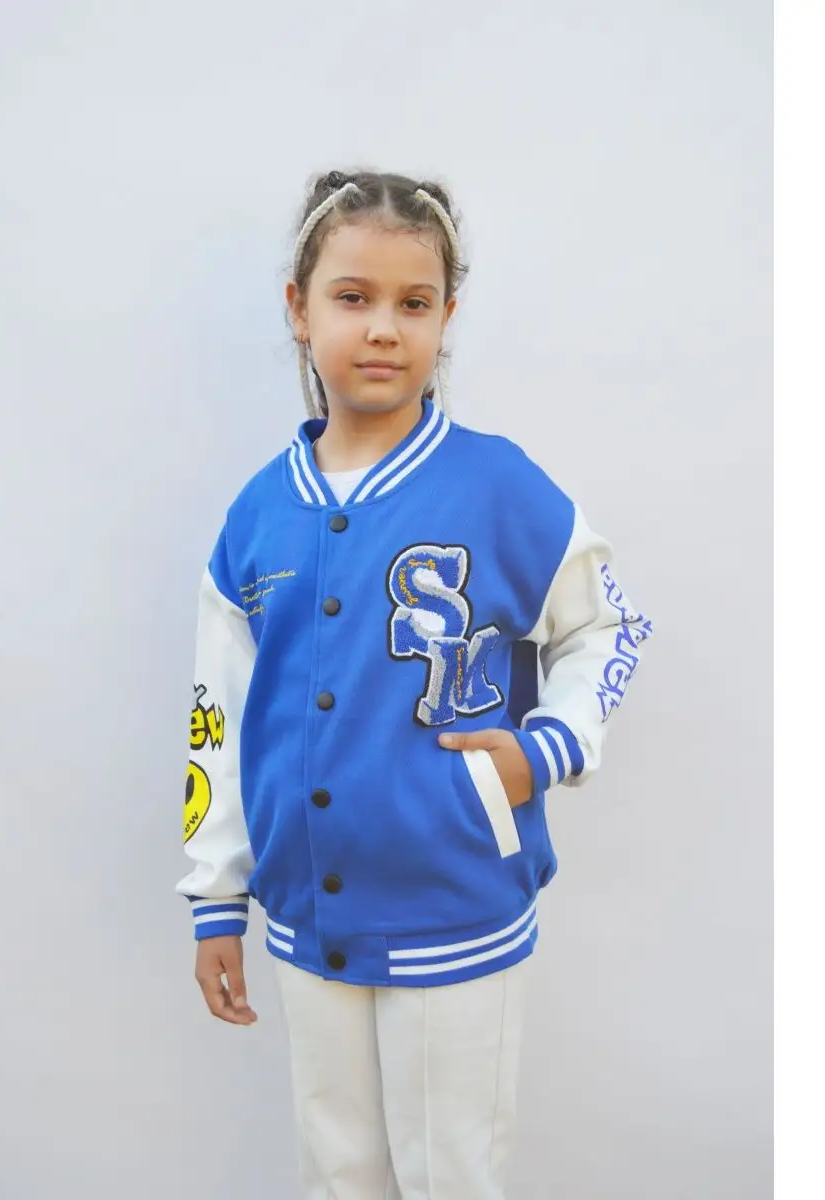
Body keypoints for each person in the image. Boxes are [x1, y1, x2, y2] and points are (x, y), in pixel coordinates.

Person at [176, 169, 653, 1199]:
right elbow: (219, 716)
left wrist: (545, 751)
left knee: (451, 1175)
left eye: (414, 302)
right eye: (353, 297)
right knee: (337, 1172)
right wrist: (217, 898)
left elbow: (609, 626)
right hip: (307, 913)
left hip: (455, 898)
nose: (384, 328)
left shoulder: (497, 485)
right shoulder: (257, 515)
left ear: (447, 317)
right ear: (299, 310)